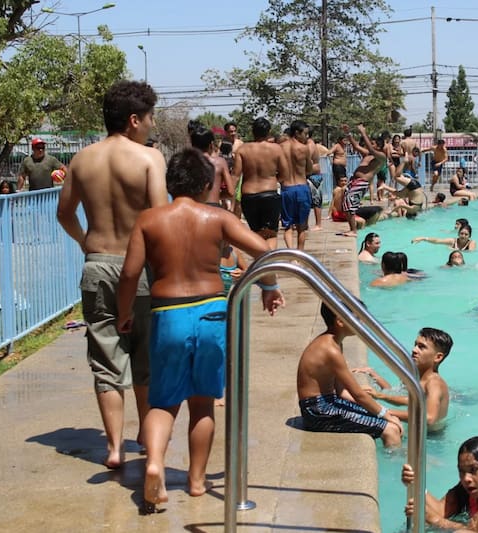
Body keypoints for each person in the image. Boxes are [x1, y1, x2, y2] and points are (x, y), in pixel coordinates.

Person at [116, 147, 284, 512]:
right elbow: (263, 250)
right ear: (208, 183)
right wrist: (269, 286)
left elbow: (129, 273)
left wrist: (124, 313)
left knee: (163, 401)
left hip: (168, 313)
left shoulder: (149, 220)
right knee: (203, 403)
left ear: (168, 183)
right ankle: (195, 481)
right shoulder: (217, 218)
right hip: (211, 311)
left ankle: (156, 463)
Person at [57, 80, 168, 470]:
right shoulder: (149, 159)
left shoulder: (82, 160)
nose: (153, 126)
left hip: (97, 264)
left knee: (106, 359)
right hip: (139, 267)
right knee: (145, 357)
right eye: (151, 118)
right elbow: (158, 217)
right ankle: (145, 434)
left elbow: (64, 214)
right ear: (134, 120)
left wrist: (86, 241)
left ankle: (115, 449)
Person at [296, 301, 403, 447]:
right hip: (317, 411)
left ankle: (400, 453)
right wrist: (383, 413)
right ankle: (396, 463)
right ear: (340, 321)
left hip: (327, 402)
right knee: (390, 429)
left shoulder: (335, 343)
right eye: (357, 318)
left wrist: (379, 411)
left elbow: (342, 392)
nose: (361, 322)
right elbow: (357, 393)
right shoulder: (330, 350)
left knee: (387, 419)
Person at [355, 327, 452, 431]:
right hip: (417, 429)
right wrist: (375, 377)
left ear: (438, 357)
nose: (414, 350)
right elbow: (398, 394)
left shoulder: (434, 383)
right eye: (415, 344)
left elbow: (429, 417)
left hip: (430, 437)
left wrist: (384, 411)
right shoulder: (416, 375)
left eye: (421, 347)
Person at [234, 116, 290, 250]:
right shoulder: (276, 149)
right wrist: (273, 180)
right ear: (269, 131)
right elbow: (285, 174)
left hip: (249, 195)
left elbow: (235, 176)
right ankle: (270, 266)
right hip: (269, 194)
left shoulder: (242, 150)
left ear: (253, 131)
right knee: (270, 235)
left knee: (256, 234)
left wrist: (231, 197)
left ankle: (262, 265)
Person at [341, 124, 386, 237]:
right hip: (354, 182)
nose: (370, 145)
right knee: (346, 205)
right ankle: (352, 228)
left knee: (349, 205)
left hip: (361, 183)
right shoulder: (367, 154)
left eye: (373, 143)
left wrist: (363, 132)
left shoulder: (381, 156)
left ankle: (354, 231)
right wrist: (348, 133)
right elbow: (356, 146)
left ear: (379, 146)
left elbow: (370, 148)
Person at [279, 119, 314, 249]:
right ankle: (300, 254)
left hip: (286, 188)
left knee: (287, 226)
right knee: (301, 226)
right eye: (305, 134)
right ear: (297, 133)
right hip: (301, 187)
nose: (307, 136)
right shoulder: (303, 148)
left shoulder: (280, 148)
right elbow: (309, 170)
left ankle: (291, 254)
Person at [189, 123, 236, 207]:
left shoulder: (187, 162)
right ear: (211, 145)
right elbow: (231, 192)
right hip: (214, 206)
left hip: (194, 207)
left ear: (192, 145)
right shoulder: (220, 162)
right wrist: (216, 196)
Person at [412, 224, 477, 251]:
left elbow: (470, 253)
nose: (463, 236)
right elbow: (437, 241)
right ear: (458, 234)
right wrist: (423, 238)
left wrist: (454, 250)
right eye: (461, 233)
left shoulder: (471, 243)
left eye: (466, 234)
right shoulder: (453, 241)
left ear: (469, 236)